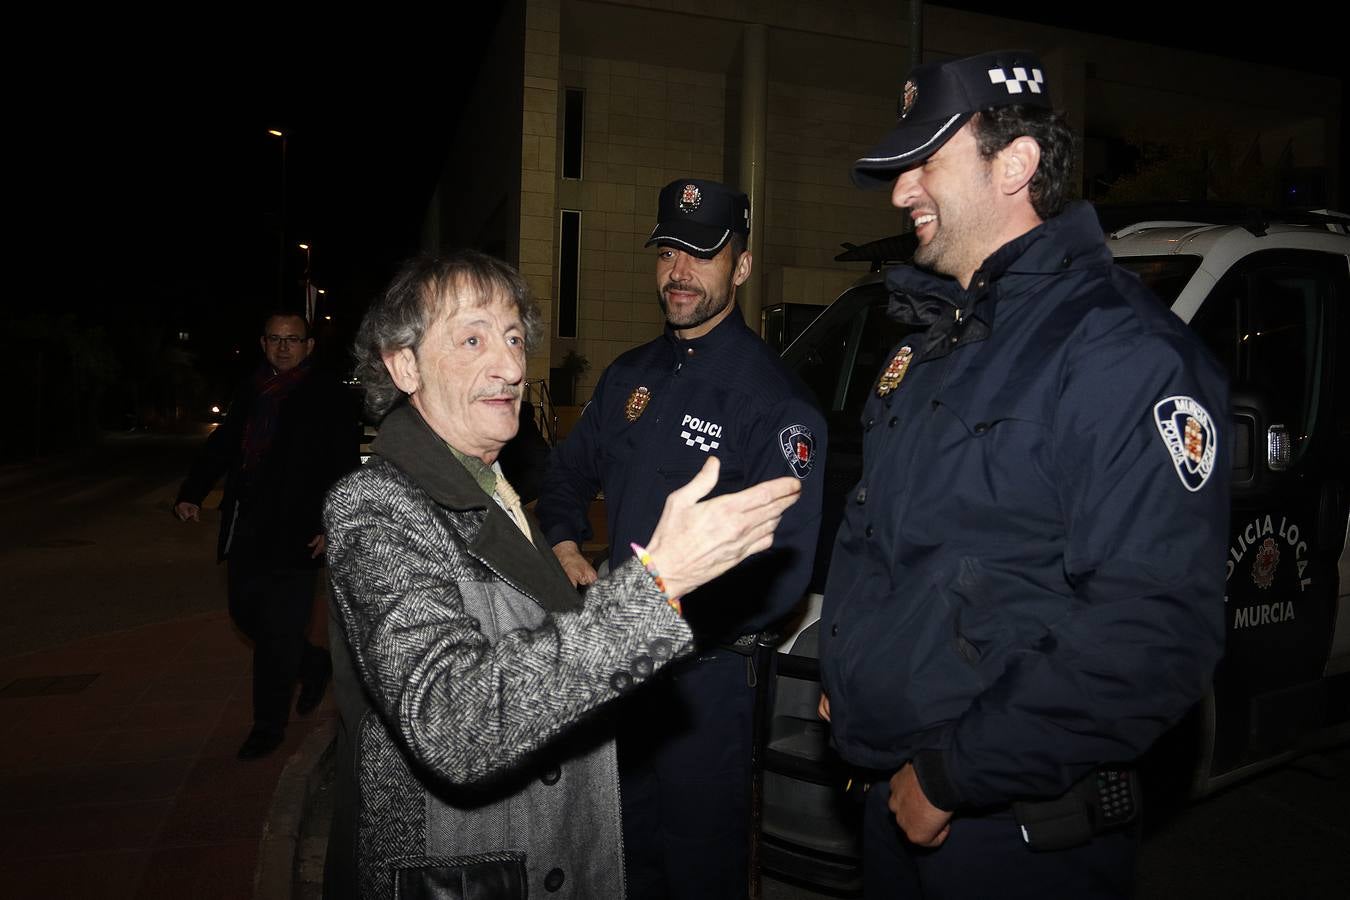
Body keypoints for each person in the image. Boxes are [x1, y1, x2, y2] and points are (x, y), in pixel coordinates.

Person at [817, 50, 1229, 898]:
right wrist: (850, 673)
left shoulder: (1121, 349)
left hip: (1009, 830)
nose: (899, 192)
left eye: (925, 163)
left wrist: (952, 775)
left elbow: (1150, 631)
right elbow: (885, 539)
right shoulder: (934, 342)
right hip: (893, 797)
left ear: (1016, 164)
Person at [321, 251, 802, 900]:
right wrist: (654, 585)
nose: (511, 366)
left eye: (514, 338)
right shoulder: (377, 506)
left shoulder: (490, 487)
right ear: (404, 366)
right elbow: (453, 720)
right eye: (472, 340)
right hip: (462, 876)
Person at [536, 179, 828, 899]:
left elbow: (782, 571)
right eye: (668, 252)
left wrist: (655, 617)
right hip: (616, 665)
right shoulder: (629, 376)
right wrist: (566, 543)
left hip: (705, 683)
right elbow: (566, 476)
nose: (679, 271)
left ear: (742, 266)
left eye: (702, 254)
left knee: (700, 865)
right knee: (619, 851)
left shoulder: (774, 403)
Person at [174, 310, 357, 759]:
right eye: (275, 339)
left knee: (279, 630)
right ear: (263, 344)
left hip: (299, 532)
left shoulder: (328, 394)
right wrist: (193, 491)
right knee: (244, 614)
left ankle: (267, 727)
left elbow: (344, 465)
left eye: (292, 339)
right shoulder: (254, 388)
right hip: (248, 527)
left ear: (308, 346)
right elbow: (224, 445)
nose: (283, 347)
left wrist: (333, 523)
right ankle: (313, 663)